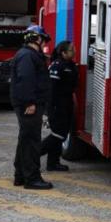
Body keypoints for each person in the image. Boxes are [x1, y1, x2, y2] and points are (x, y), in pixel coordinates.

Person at [10, 25, 53, 189]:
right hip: (28, 104)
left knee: (25, 139)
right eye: (44, 40)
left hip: (29, 103)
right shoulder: (27, 56)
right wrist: (30, 103)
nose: (44, 44)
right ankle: (32, 178)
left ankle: (20, 175)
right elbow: (26, 80)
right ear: (37, 38)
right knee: (31, 141)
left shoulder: (29, 55)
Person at [40, 41, 78, 172]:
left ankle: (53, 163)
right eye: (71, 50)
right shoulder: (57, 66)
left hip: (67, 103)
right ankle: (31, 156)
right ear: (63, 53)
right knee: (58, 135)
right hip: (57, 105)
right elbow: (51, 89)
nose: (74, 52)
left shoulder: (71, 65)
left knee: (61, 134)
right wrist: (50, 109)